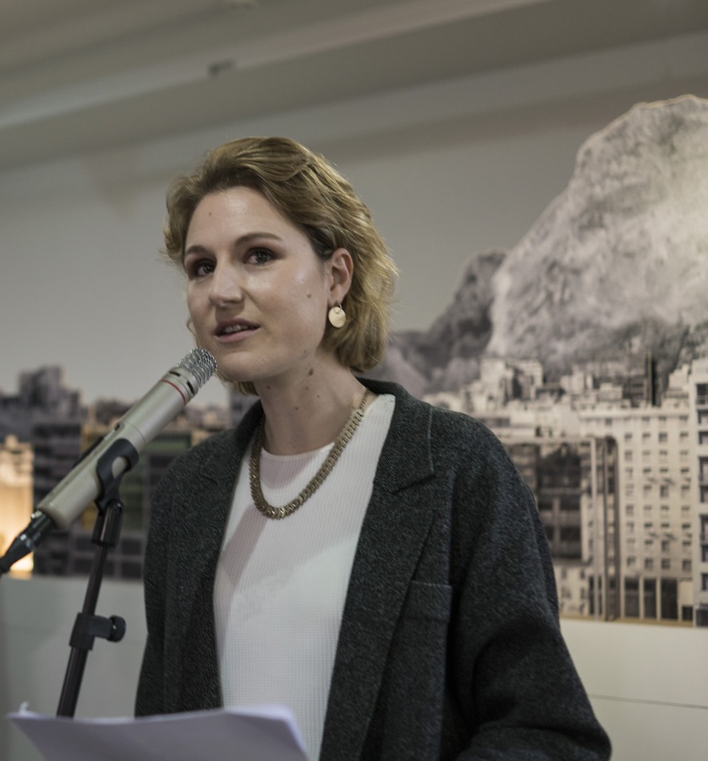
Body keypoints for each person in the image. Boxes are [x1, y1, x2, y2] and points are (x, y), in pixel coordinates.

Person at [135, 137, 611, 760]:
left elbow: (550, 732)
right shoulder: (187, 495)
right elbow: (162, 721)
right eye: (201, 267)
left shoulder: (455, 467)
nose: (220, 290)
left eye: (258, 255)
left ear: (336, 277)